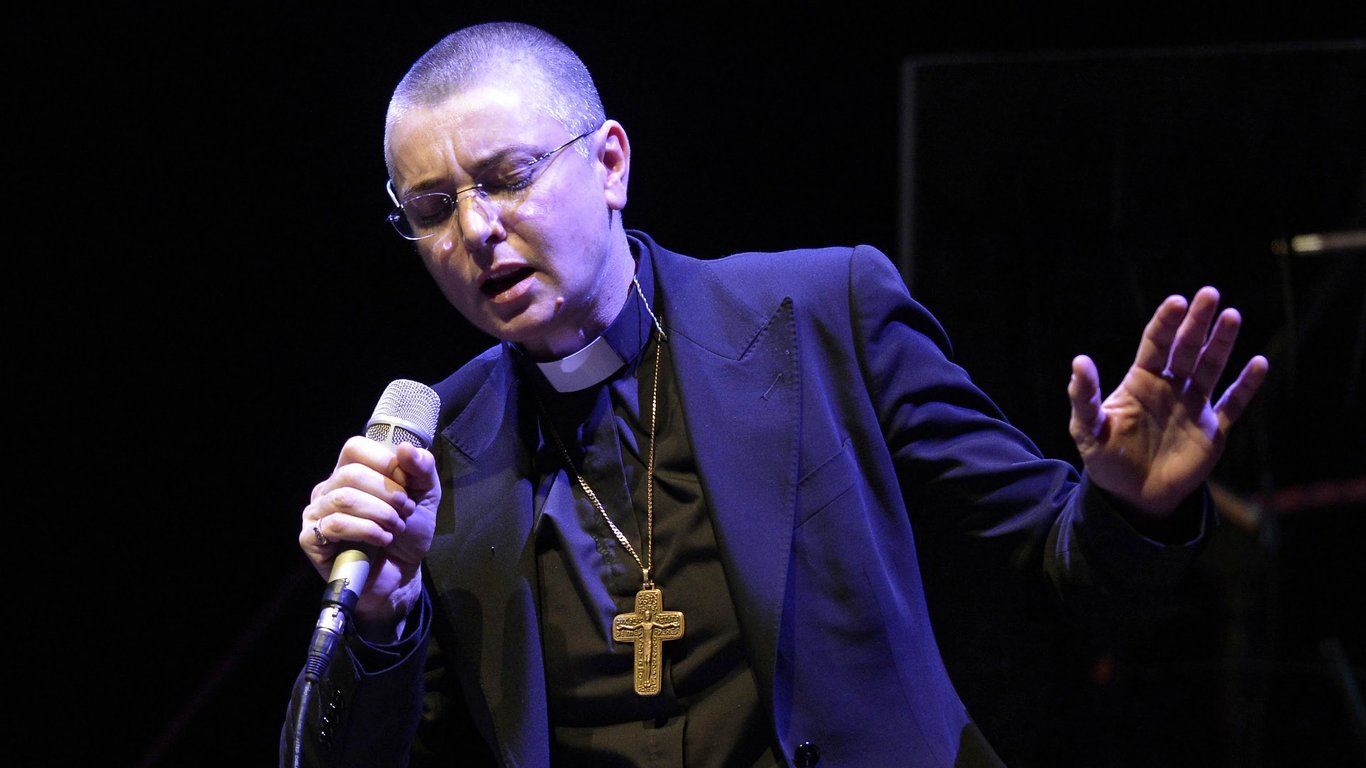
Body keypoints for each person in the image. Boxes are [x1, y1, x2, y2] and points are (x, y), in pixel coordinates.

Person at [279, 20, 1269, 768]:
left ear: (611, 163)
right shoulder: (431, 452)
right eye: (432, 208)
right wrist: (382, 621)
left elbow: (1063, 558)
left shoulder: (824, 312)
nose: (477, 231)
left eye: (509, 177)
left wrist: (1130, 505)